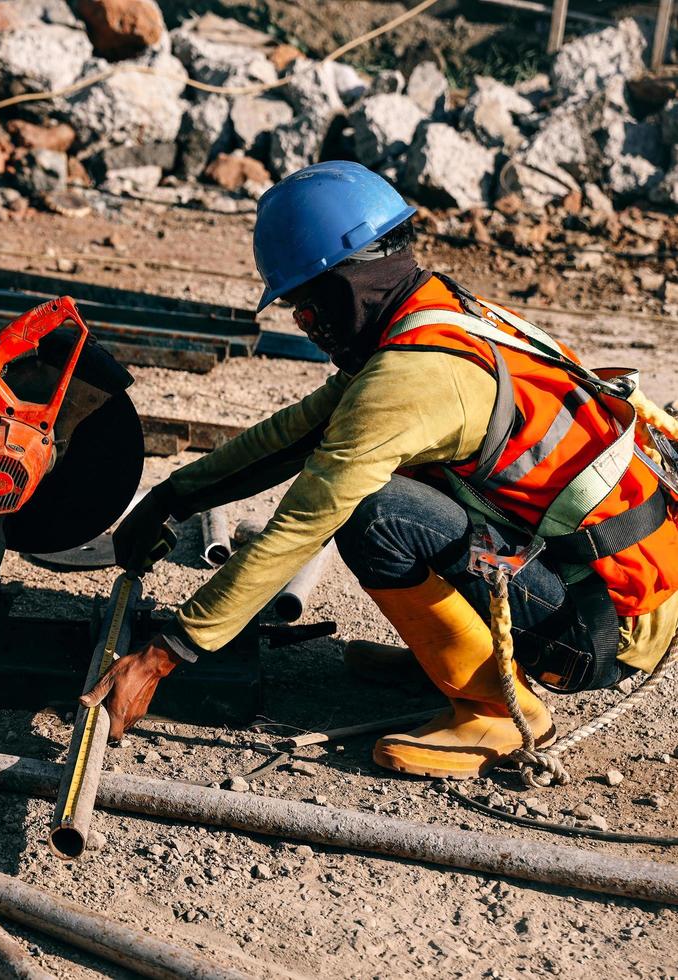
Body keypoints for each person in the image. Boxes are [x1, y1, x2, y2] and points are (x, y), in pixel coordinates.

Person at [84, 161, 678, 779]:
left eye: (305, 308)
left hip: (597, 628)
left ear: (342, 287)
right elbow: (300, 431)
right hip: (614, 588)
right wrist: (174, 497)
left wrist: (161, 656)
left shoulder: (408, 379)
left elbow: (301, 525)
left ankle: (497, 705)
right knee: (402, 487)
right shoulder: (435, 311)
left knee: (374, 514)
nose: (305, 327)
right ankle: (457, 655)